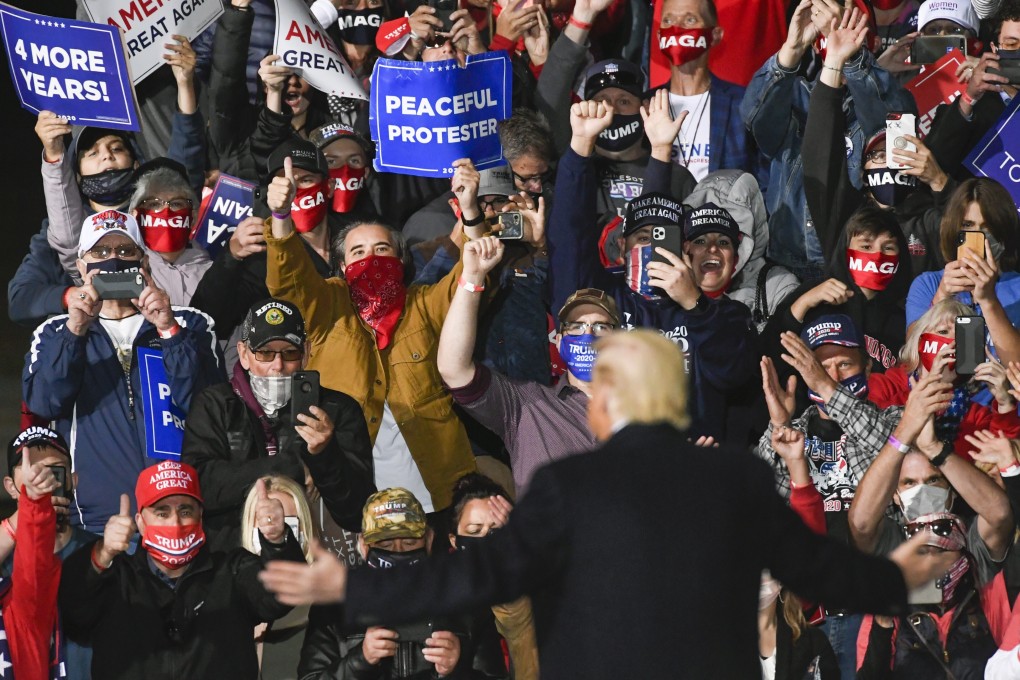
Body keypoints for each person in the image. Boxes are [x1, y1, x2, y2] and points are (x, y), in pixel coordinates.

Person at [260, 330, 958, 679]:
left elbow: (478, 575)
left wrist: (346, 582)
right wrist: (901, 574)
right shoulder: (734, 481)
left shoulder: (570, 489)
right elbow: (822, 574)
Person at [262, 153, 503, 513]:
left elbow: (473, 276)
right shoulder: (327, 305)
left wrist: (470, 210)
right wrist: (281, 216)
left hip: (437, 494)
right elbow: (289, 285)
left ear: (402, 260)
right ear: (341, 268)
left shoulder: (423, 304)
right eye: (358, 253)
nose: (371, 260)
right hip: (353, 500)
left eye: (381, 250)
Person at [548, 99, 758, 441]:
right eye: (641, 238)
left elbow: (734, 375)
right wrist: (580, 148)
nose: (652, 248)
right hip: (617, 462)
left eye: (662, 239)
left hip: (691, 469)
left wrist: (695, 305)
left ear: (685, 249)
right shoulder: (601, 298)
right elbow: (568, 238)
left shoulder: (722, 314)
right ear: (621, 247)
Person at [23, 210, 223, 533]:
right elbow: (45, 402)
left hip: (181, 517)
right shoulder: (54, 332)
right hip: (96, 524)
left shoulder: (190, 323)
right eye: (100, 253)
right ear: (81, 266)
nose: (113, 260)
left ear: (144, 262)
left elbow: (210, 408)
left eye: (125, 251)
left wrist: (168, 329)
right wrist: (76, 330)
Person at [58, 461, 306, 679]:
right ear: (140, 523)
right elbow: (73, 614)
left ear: (201, 516)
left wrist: (277, 539)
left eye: (185, 511)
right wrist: (102, 552)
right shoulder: (114, 579)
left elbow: (282, 596)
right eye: (161, 513)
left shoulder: (233, 571)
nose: (174, 523)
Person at [182, 297, 375, 551]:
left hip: (313, 562)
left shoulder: (337, 410)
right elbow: (199, 486)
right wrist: (294, 466)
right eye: (265, 353)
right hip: (232, 562)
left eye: (290, 352)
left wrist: (326, 456)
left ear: (306, 353)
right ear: (243, 354)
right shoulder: (214, 404)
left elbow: (358, 512)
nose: (278, 366)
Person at [741, 0, 915, 280]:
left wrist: (855, 59)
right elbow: (754, 120)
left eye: (849, 26)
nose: (837, 34)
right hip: (788, 266)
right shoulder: (794, 95)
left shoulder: (892, 98)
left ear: (872, 40)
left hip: (862, 266)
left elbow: (892, 129)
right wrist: (791, 50)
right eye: (828, 29)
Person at [297, 488, 507, 679]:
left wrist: (456, 670)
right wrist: (361, 660)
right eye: (385, 543)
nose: (398, 551)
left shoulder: (467, 603)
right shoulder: (333, 607)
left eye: (409, 542)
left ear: (429, 539)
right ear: (363, 545)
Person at [440, 284, 618, 495]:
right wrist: (471, 279)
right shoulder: (526, 406)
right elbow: (453, 368)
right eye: (576, 326)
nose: (587, 335)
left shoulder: (646, 411)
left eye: (600, 327)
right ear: (559, 343)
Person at [1, 427, 96, 679]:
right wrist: (31, 510)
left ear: (72, 481)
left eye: (54, 470)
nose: (42, 480)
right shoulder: (3, 556)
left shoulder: (101, 551)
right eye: (33, 469)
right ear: (11, 486)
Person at [867, 300, 1020, 457]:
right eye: (943, 332)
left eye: (962, 335)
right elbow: (868, 434)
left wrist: (1005, 405)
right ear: (918, 342)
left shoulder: (977, 415)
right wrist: (930, 385)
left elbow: (1002, 462)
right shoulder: (882, 386)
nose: (953, 342)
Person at [653, 0, 761, 182]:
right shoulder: (647, 105)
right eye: (668, 21)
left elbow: (764, 180)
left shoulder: (744, 104)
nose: (677, 28)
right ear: (658, 36)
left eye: (689, 20)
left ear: (715, 35)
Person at [447, 473, 538, 680]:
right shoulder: (444, 592)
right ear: (453, 540)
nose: (485, 540)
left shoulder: (534, 581)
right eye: (474, 531)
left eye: (495, 530)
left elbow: (519, 626)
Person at [241, 475, 319, 679]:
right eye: (263, 520)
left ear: (303, 530)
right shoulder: (229, 596)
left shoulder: (324, 604)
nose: (271, 529)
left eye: (285, 522)